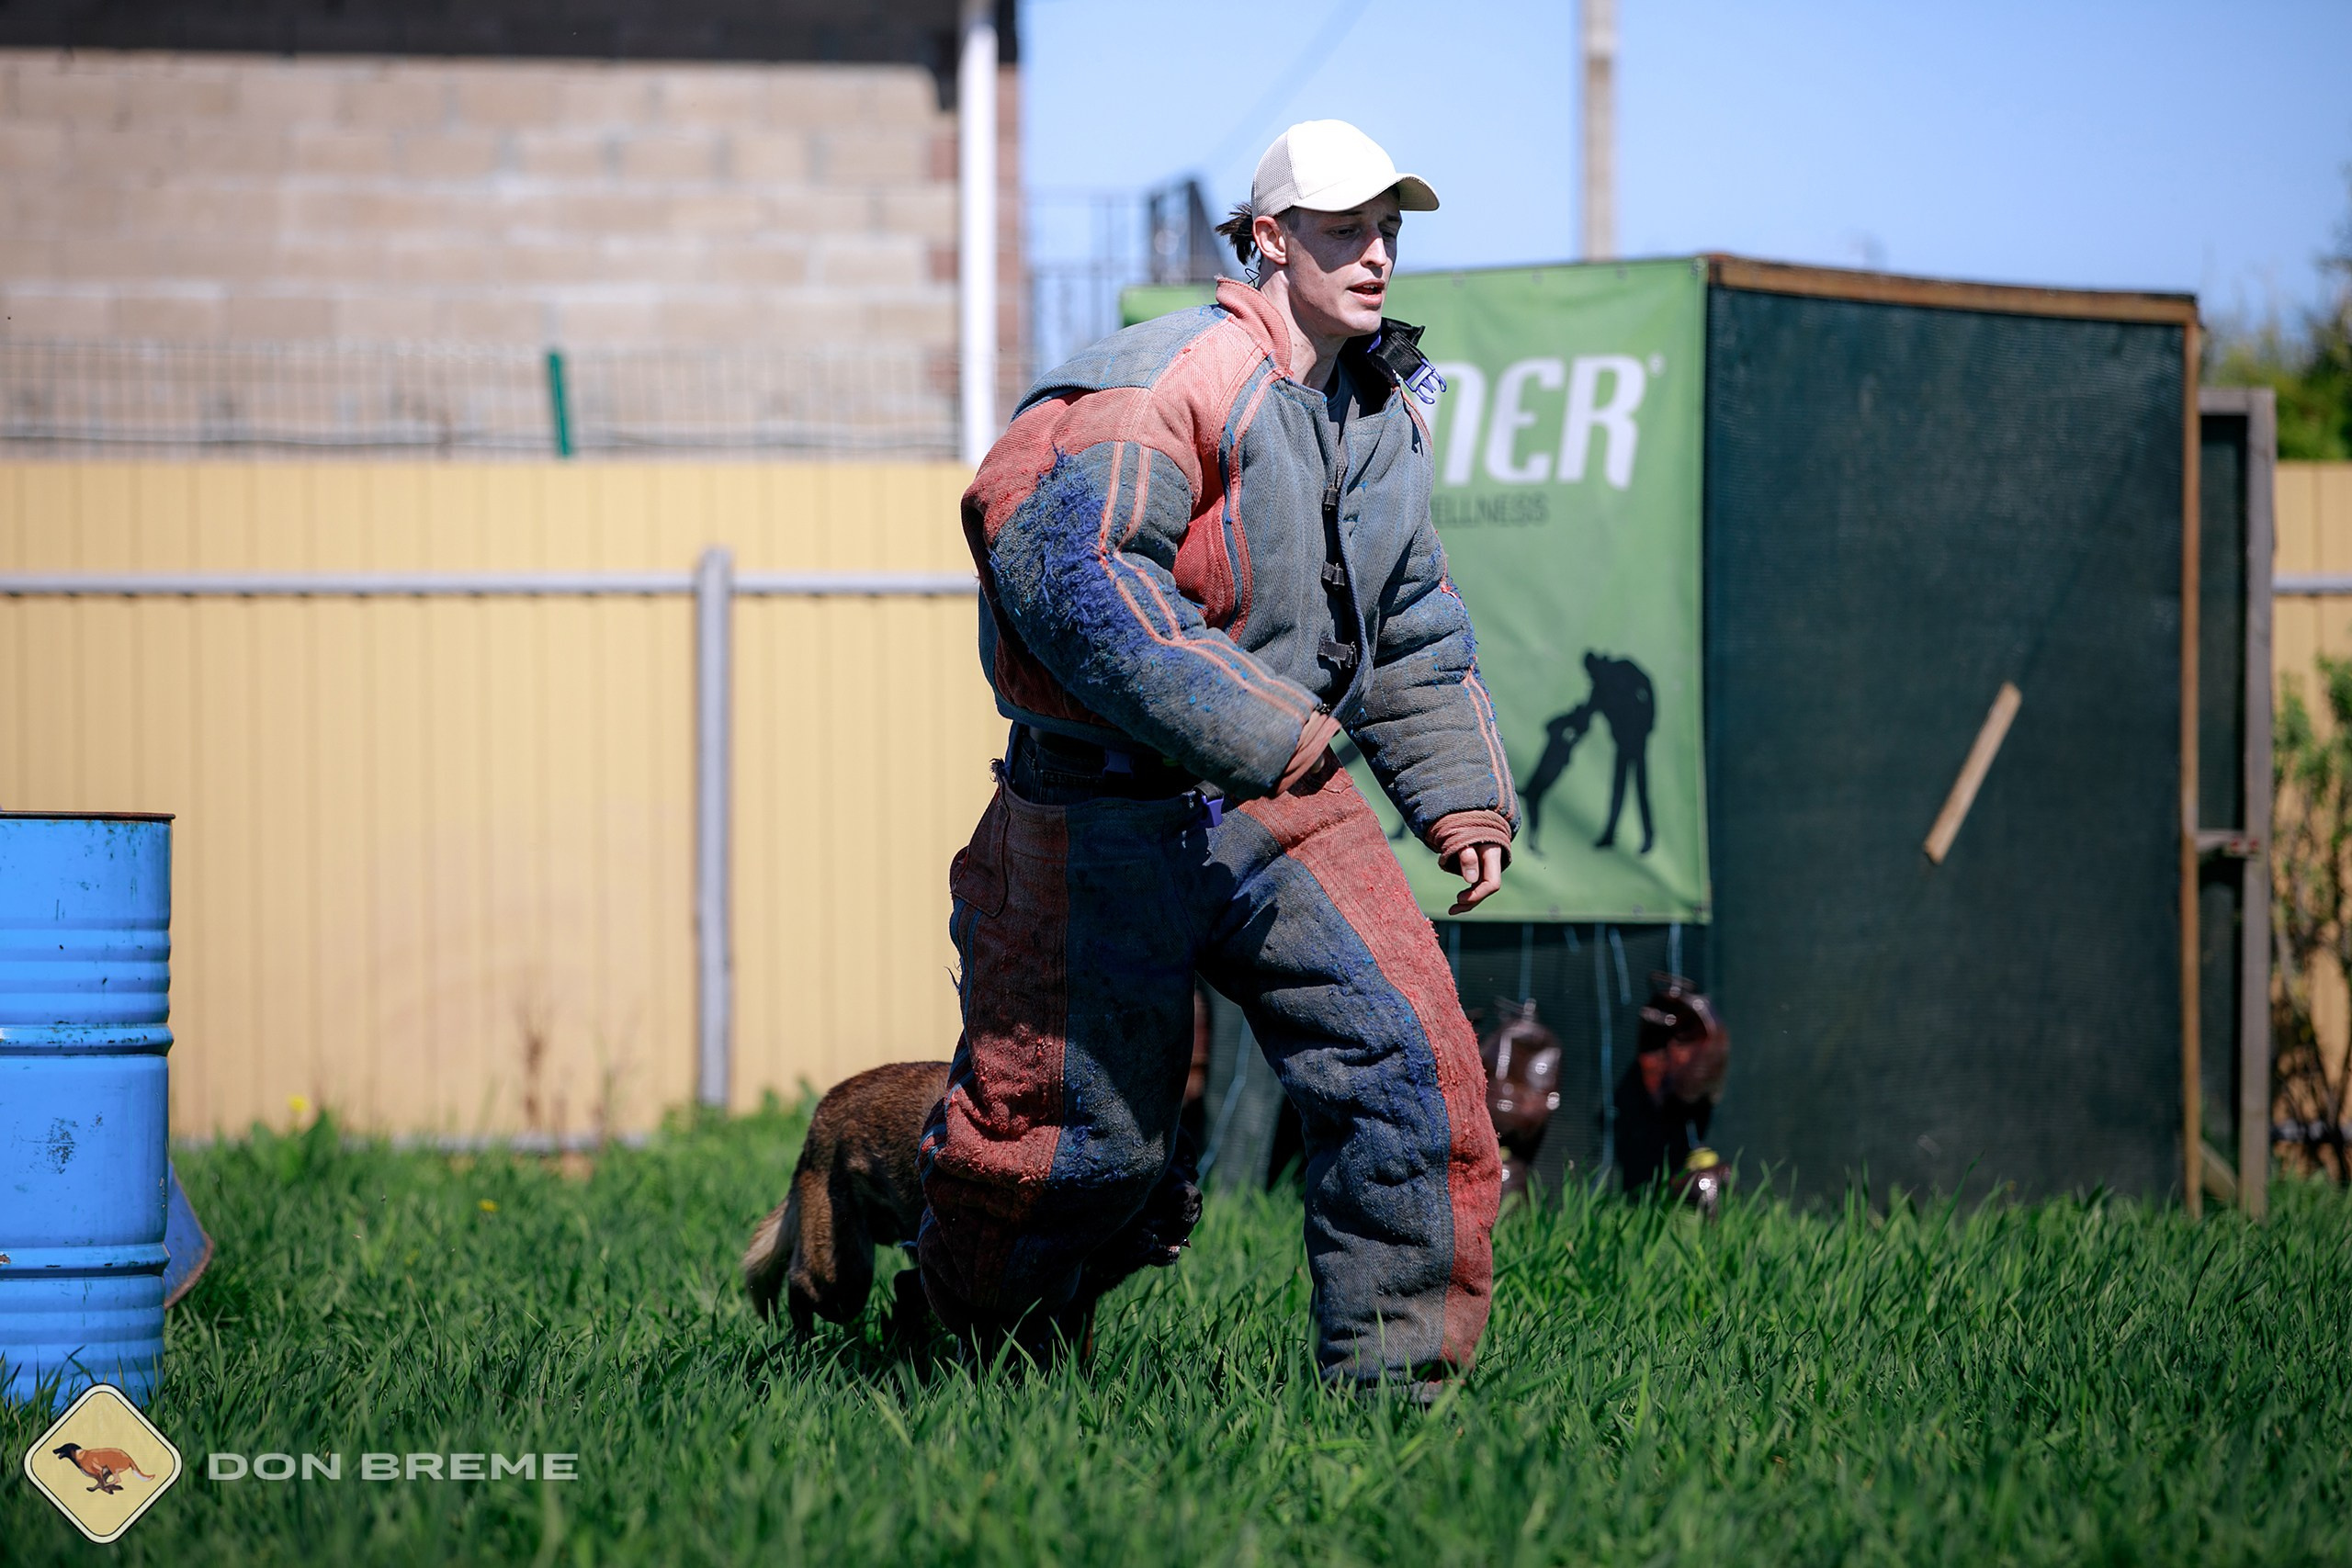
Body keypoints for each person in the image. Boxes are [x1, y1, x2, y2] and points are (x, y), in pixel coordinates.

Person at [918, 120, 1515, 1395]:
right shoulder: (1157, 377)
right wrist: (1267, 729)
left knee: (1416, 1079)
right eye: (1346, 230)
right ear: (1268, 240)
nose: (1376, 257)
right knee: (1072, 1146)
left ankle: (1397, 1412)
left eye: (1390, 231)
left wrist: (1459, 799)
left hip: (1282, 802)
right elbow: (1064, 570)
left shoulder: (1379, 415)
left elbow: (1408, 622)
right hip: (1097, 814)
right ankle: (973, 1373)